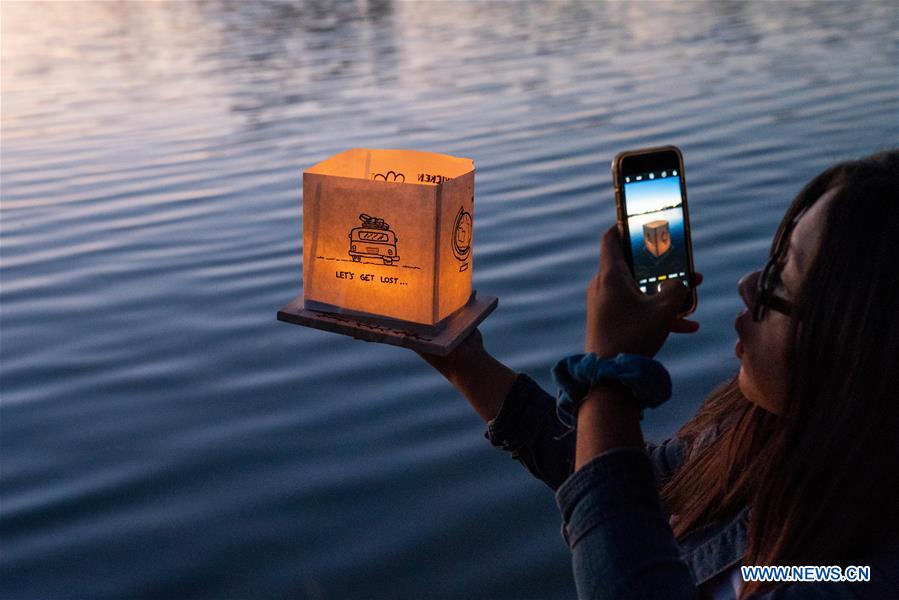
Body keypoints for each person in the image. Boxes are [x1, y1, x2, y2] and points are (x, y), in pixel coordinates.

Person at [418, 149, 899, 599]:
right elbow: (628, 482)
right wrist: (467, 364)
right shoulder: (764, 436)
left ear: (860, 339)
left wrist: (608, 375)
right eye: (768, 262)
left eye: (780, 278)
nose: (748, 285)